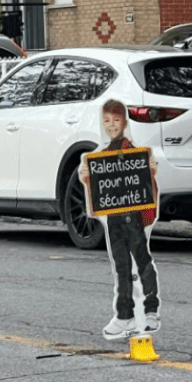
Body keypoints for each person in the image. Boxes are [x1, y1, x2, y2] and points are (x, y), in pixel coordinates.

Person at [80, 99, 161, 340]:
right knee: (121, 266)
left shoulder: (134, 153)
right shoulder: (100, 157)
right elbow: (97, 192)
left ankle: (151, 310)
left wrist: (151, 172)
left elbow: (148, 185)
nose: (111, 125)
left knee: (142, 260)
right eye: (107, 120)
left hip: (133, 216)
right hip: (114, 218)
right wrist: (87, 178)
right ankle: (124, 315)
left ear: (125, 122)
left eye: (116, 120)